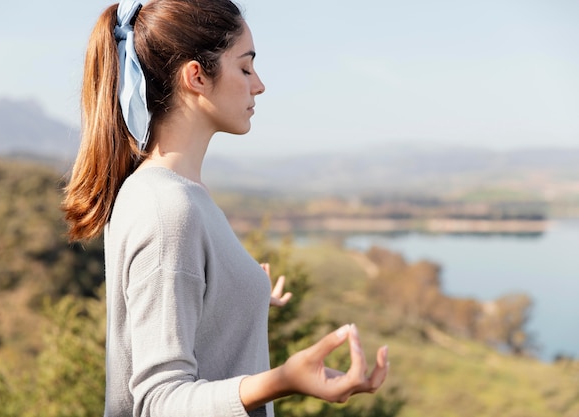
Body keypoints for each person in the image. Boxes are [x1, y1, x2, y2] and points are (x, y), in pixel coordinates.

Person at [62, 0, 389, 416]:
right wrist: (284, 380)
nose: (259, 85)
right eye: (246, 67)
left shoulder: (176, 193)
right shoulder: (167, 210)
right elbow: (160, 401)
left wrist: (237, 293)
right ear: (196, 76)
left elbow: (181, 303)